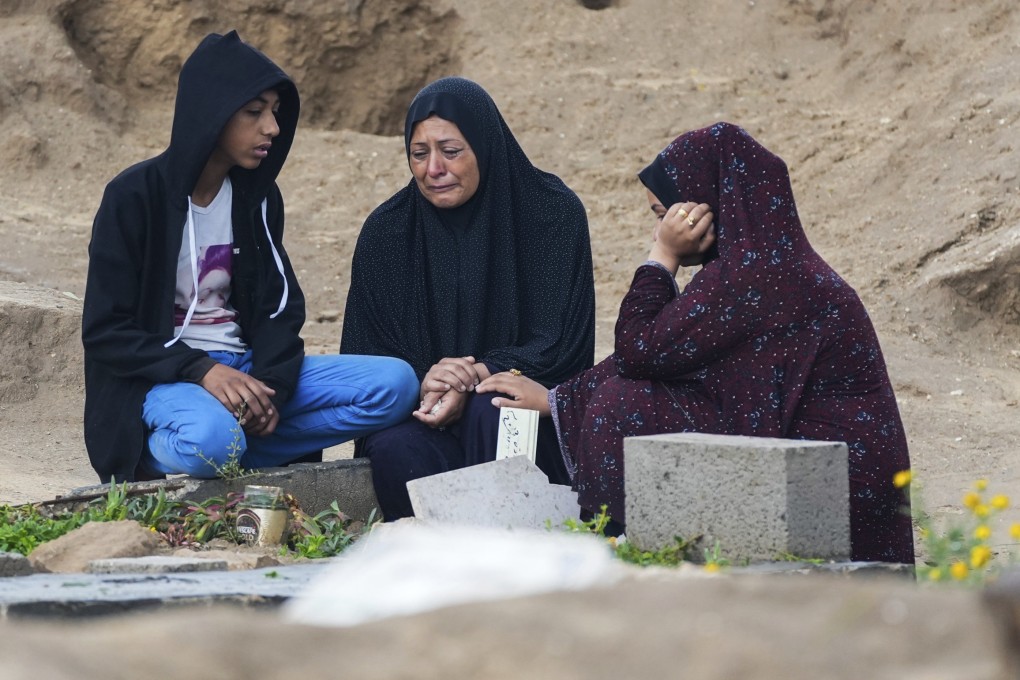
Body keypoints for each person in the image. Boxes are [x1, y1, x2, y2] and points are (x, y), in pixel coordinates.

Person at [478, 122, 914, 563]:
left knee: (620, 405)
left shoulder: (752, 276)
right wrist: (558, 399)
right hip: (828, 478)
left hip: (837, 496)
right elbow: (663, 353)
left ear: (703, 209)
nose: (658, 231)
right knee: (629, 395)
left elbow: (638, 348)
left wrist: (661, 259)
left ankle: (615, 556)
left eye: (662, 216)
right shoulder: (762, 262)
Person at [82, 31, 419, 483]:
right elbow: (106, 330)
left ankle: (234, 447)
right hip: (161, 379)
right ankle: (155, 452)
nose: (273, 129)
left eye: (275, 113)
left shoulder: (257, 197)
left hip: (243, 371)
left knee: (396, 386)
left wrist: (272, 391)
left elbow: (281, 307)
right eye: (254, 112)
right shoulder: (133, 197)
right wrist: (200, 370)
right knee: (213, 439)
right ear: (212, 113)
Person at [340, 76, 596, 519]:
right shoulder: (387, 233)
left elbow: (561, 345)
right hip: (422, 409)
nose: (433, 168)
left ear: (486, 145)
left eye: (451, 151)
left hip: (520, 406)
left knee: (494, 409)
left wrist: (475, 374)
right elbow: (367, 355)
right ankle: (447, 572)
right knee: (396, 449)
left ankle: (523, 555)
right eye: (419, 154)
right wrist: (430, 382)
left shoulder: (552, 215)